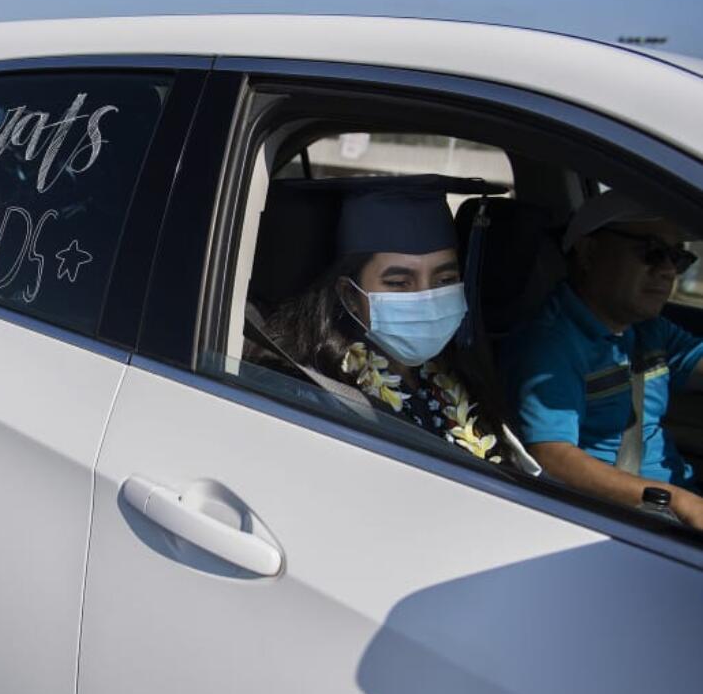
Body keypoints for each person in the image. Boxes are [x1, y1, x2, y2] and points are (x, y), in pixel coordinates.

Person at [253, 175, 540, 474]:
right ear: (350, 295)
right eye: (399, 283)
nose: (427, 299)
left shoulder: (458, 376)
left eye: (445, 280)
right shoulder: (315, 393)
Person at [504, 191, 703, 528]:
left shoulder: (648, 329)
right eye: (652, 252)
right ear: (589, 251)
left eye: (677, 258)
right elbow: (553, 456)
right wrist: (680, 502)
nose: (669, 270)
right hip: (628, 519)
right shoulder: (551, 344)